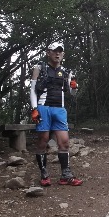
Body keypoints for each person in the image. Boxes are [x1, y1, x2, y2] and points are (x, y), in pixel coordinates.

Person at [30, 42, 82, 187]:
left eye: (60, 51)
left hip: (59, 108)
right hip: (43, 107)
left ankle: (65, 175)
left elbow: (72, 93)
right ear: (48, 53)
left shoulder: (66, 72)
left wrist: (75, 87)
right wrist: (34, 108)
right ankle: (44, 173)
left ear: (63, 54)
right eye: (54, 51)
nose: (57, 54)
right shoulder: (39, 68)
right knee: (43, 139)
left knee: (64, 141)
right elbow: (33, 90)